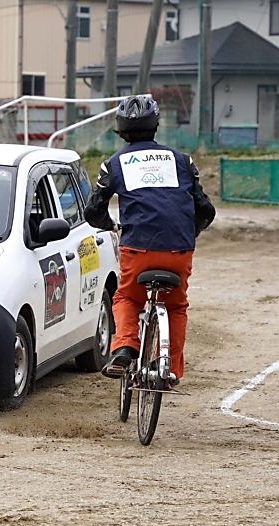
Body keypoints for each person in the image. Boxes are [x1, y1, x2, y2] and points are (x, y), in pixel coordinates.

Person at [83, 95, 216, 386]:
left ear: (121, 130)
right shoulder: (181, 160)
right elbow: (206, 209)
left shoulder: (114, 164)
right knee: (176, 306)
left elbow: (93, 210)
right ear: (156, 125)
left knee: (127, 297)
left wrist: (111, 225)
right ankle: (169, 370)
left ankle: (125, 347)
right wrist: (189, 234)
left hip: (137, 248)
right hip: (179, 250)